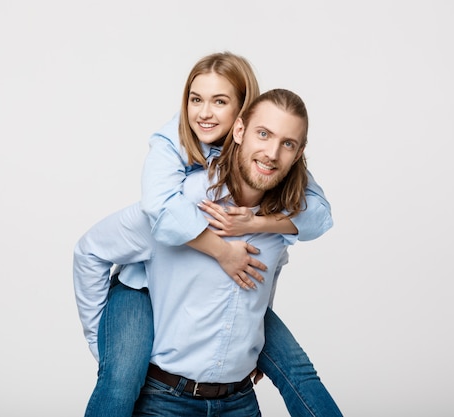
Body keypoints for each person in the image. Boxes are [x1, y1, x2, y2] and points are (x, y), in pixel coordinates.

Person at [75, 53, 341, 416]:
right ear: (242, 129)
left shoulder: (279, 191)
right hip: (138, 294)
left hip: (236, 397)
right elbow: (142, 218)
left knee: (299, 372)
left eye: (220, 101)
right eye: (196, 99)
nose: (204, 113)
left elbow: (316, 222)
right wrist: (101, 344)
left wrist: (259, 223)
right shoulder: (180, 184)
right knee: (119, 380)